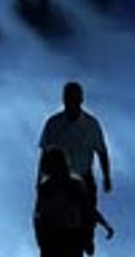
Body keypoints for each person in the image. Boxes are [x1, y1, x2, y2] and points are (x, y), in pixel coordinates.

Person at [38, 81, 112, 215]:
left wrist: (106, 176)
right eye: (69, 99)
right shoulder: (53, 124)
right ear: (63, 100)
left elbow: (102, 152)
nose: (72, 104)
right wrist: (39, 180)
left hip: (83, 178)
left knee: (86, 221)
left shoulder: (91, 125)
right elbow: (44, 154)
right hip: (57, 182)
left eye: (74, 100)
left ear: (81, 100)